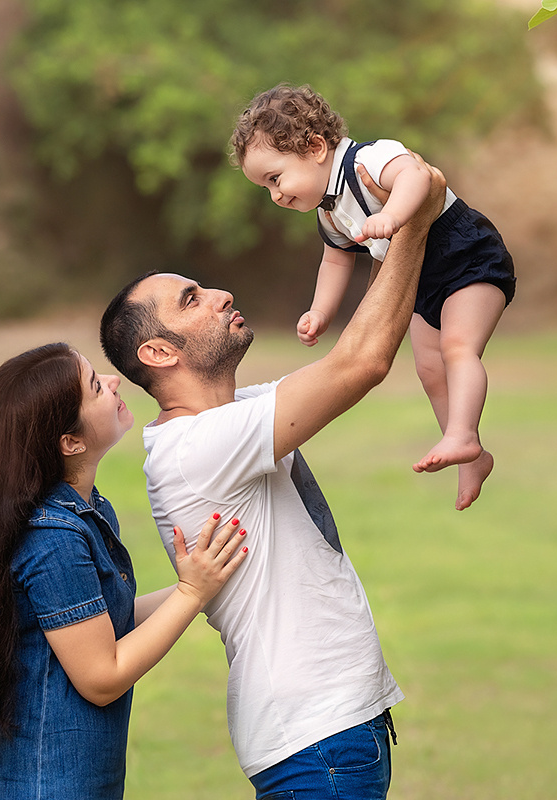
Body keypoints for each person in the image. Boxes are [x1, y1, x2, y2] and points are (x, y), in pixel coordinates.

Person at [98, 153, 447, 800]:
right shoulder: (199, 446)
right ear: (157, 352)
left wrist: (400, 228)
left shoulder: (238, 414)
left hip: (330, 735)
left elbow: (358, 356)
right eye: (191, 300)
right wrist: (412, 223)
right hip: (317, 743)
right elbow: (360, 364)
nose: (221, 293)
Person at [0, 343, 248, 799]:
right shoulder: (52, 536)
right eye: (97, 386)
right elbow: (101, 677)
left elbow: (98, 624)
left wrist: (200, 585)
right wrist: (191, 594)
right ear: (70, 442)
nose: (115, 383)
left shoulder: (82, 511)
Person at [230, 83, 516, 511]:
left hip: (466, 257)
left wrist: (393, 215)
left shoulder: (367, 158)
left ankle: (464, 434)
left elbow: (418, 175)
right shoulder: (330, 211)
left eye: (276, 178)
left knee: (458, 348)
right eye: (265, 188)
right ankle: (470, 457)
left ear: (315, 146)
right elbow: (335, 262)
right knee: (429, 367)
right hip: (421, 278)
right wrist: (320, 311)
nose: (275, 195)